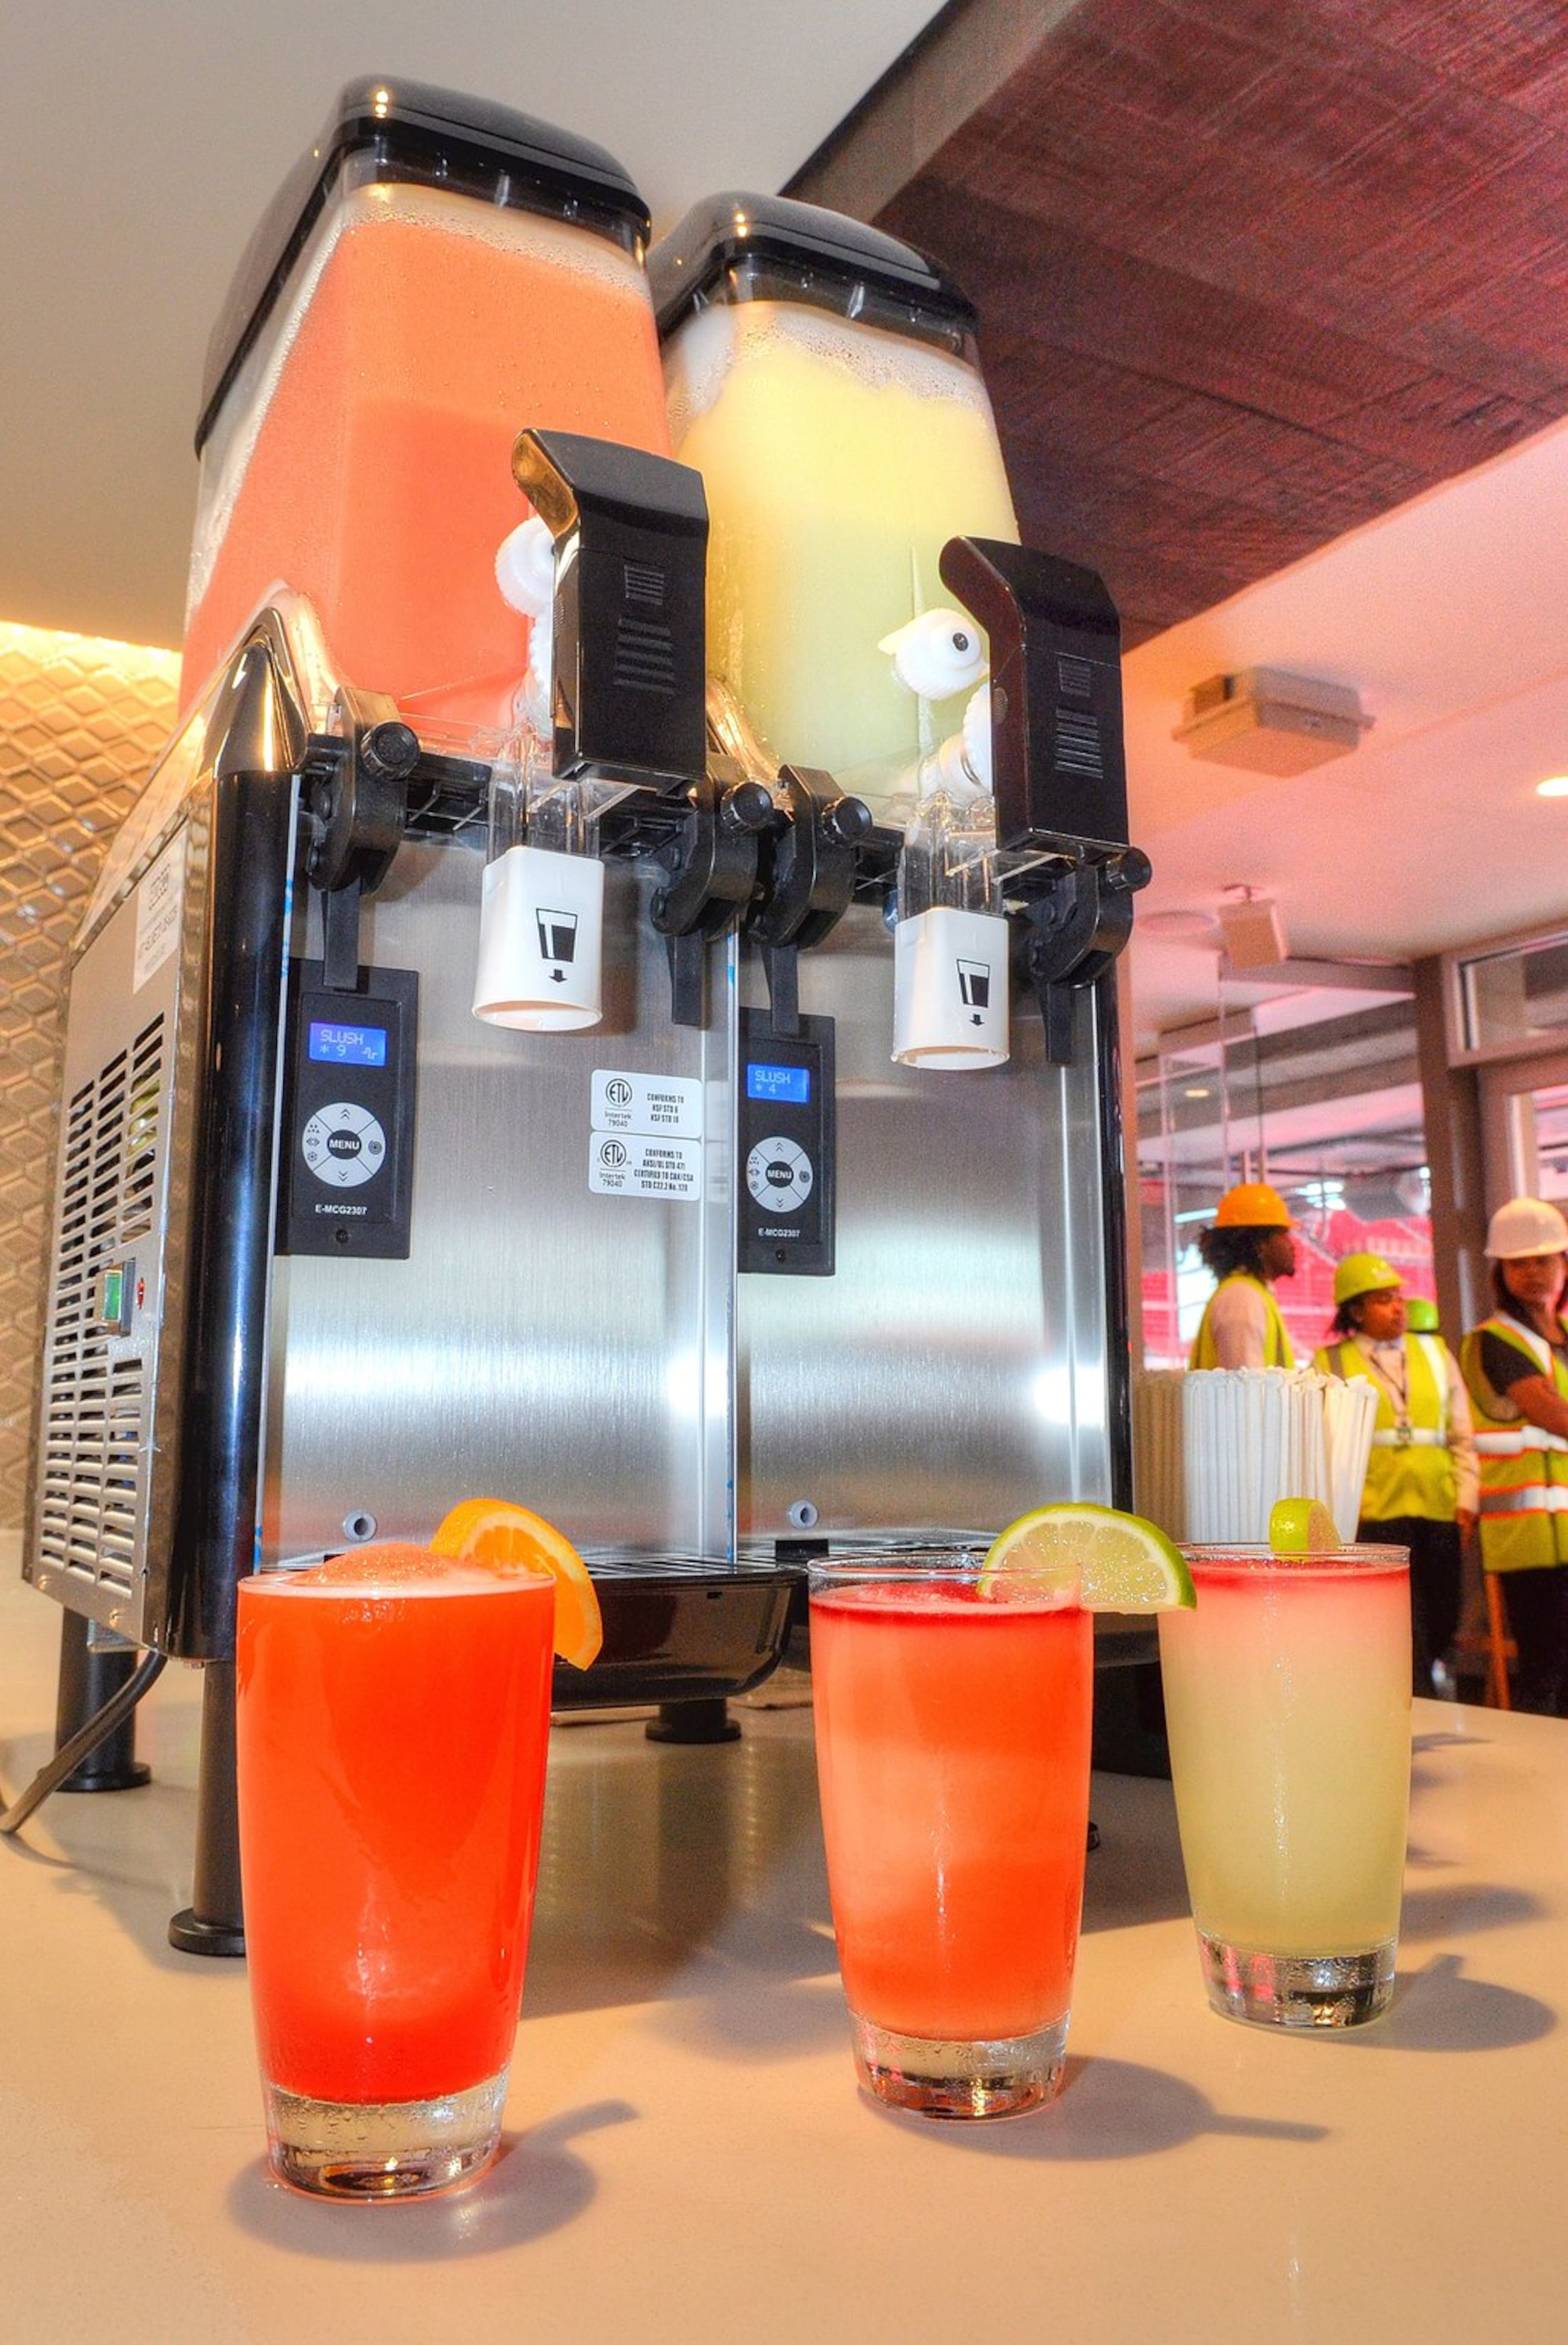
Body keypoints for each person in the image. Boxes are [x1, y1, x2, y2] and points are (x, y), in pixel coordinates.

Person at [1311, 1252, 1478, 1696]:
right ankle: (1415, 1698)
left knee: (1444, 1610)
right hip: (1374, 1510)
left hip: (1437, 1503)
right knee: (1400, 1617)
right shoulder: (1330, 1362)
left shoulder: (1435, 1353)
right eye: (1385, 1299)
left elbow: (1461, 1433)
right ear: (1356, 1309)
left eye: (1399, 1297)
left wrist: (1468, 1498)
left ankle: (1422, 1683)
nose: (1398, 1307)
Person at [1459, 1198, 1568, 1717]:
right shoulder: (1496, 1341)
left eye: (1543, 1259)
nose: (1533, 1272)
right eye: (1519, 1262)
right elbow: (1554, 1415)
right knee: (1546, 1670)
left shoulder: (1562, 1340)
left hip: (1564, 1532)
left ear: (1563, 1263)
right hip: (1527, 1540)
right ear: (1500, 1271)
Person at [1187, 1182, 1297, 1369]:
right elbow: (1245, 1388)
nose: (1292, 1245)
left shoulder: (1248, 1295)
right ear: (1260, 1244)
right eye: (1284, 1235)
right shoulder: (1243, 1299)